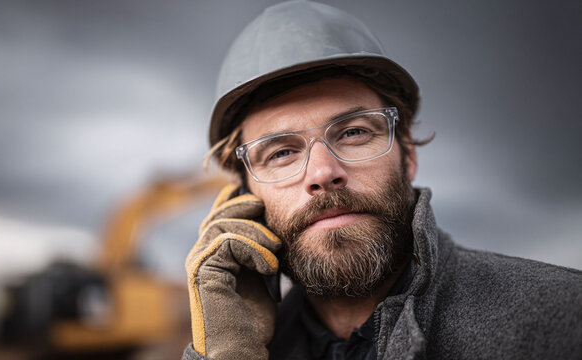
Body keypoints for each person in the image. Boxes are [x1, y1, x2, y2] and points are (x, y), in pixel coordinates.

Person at [183, 1, 582, 359]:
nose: (323, 173)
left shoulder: (564, 317)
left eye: (353, 132)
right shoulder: (246, 349)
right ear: (243, 194)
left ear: (407, 154)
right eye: (281, 153)